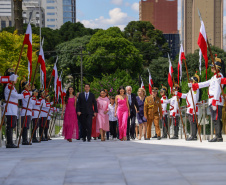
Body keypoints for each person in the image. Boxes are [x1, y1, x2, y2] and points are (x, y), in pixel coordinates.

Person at [189, 55, 224, 142]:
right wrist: (195, 85)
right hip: (212, 100)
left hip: (215, 100)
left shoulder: (219, 76)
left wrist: (215, 101)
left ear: (217, 68)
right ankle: (218, 136)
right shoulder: (214, 77)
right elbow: (205, 83)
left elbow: (218, 89)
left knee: (216, 118)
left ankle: (218, 137)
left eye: (213, 67)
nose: (211, 68)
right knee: (215, 118)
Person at [4, 68, 30, 148]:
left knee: (12, 125)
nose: (16, 80)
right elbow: (15, 96)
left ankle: (10, 142)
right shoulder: (9, 86)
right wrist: (25, 95)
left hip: (13, 108)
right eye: (15, 78)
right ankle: (9, 142)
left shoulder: (12, 87)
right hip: (10, 108)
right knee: (10, 125)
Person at [177, 73, 200, 141]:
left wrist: (192, 109)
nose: (189, 82)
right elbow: (186, 95)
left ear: (194, 82)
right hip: (190, 108)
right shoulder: (191, 90)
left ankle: (193, 136)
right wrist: (179, 94)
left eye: (191, 81)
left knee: (193, 122)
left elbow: (195, 99)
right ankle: (193, 135)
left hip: (193, 108)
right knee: (191, 122)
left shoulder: (195, 89)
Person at [19, 77, 33, 145]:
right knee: (24, 126)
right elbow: (27, 99)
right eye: (28, 86)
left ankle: (25, 139)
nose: (29, 87)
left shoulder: (28, 93)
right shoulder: (24, 92)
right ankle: (24, 140)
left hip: (28, 111)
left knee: (27, 126)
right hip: (25, 111)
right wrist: (30, 93)